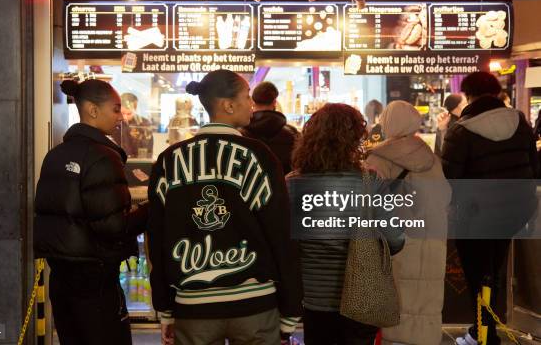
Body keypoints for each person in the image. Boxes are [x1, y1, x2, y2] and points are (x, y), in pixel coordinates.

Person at [147, 70, 303, 345]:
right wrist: (290, 308)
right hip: (254, 304)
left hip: (192, 305)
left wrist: (165, 308)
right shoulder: (258, 155)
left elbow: (157, 239)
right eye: (246, 97)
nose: (251, 104)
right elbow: (280, 233)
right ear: (228, 105)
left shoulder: (169, 160)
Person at [34, 79, 147, 345]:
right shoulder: (103, 156)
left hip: (60, 277)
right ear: (94, 111)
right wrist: (152, 208)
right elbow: (113, 226)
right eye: (116, 109)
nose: (120, 117)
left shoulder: (56, 154)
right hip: (95, 280)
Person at [286, 103, 405, 345]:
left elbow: (285, 244)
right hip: (361, 297)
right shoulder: (370, 182)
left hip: (313, 299)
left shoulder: (291, 184)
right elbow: (396, 240)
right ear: (353, 141)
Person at [441, 72, 538, 345]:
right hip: (514, 213)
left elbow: (449, 181)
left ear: (468, 95)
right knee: (494, 272)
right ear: (496, 93)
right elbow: (534, 167)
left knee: (477, 274)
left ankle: (483, 333)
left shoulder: (460, 130)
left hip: (475, 217)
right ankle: (485, 331)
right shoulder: (519, 121)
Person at [366, 101, 451, 345]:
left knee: (397, 298)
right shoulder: (431, 158)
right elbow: (445, 196)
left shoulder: (377, 159)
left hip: (397, 243)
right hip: (433, 240)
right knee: (425, 299)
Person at [241, 81, 299, 174]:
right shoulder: (291, 133)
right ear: (274, 102)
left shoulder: (240, 133)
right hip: (283, 186)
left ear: (253, 102)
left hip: (252, 186)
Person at [111, 92, 154, 158]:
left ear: (135, 109)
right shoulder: (113, 123)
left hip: (139, 161)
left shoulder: (144, 124)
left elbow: (148, 148)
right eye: (122, 113)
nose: (125, 117)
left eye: (129, 114)